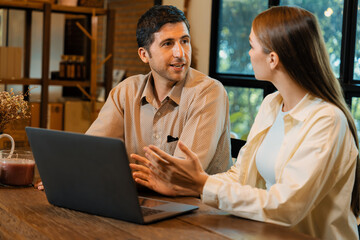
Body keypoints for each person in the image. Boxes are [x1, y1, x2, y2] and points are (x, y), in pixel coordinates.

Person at [130, 6, 360, 240]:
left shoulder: (328, 121)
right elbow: (242, 176)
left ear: (272, 59)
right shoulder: (272, 104)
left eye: (252, 46)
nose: (248, 54)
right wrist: (188, 185)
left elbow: (286, 207)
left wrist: (202, 185)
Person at [86, 5, 231, 174]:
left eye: (184, 41)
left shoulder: (208, 92)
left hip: (193, 200)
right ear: (144, 55)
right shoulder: (125, 92)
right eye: (168, 44)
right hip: (137, 196)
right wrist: (65, 171)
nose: (180, 53)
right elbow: (90, 151)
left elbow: (184, 175)